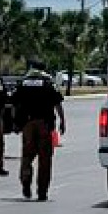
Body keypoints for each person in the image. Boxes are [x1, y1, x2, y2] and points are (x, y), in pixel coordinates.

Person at [14, 58, 65, 200]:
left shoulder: (23, 83)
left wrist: (16, 122)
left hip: (27, 124)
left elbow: (15, 104)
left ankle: (25, 180)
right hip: (44, 124)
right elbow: (57, 103)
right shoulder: (48, 83)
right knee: (45, 159)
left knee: (27, 155)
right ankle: (42, 191)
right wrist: (62, 120)